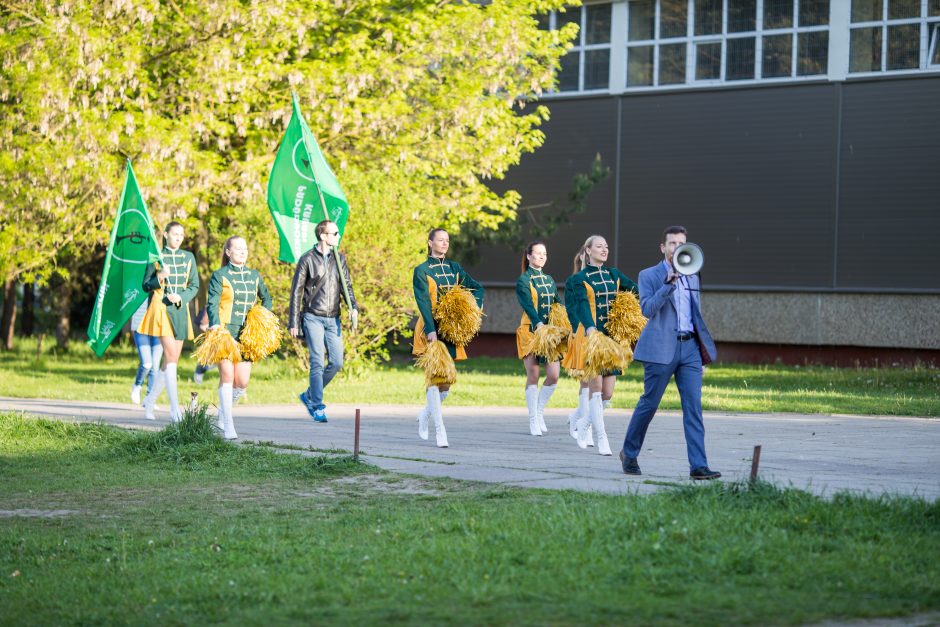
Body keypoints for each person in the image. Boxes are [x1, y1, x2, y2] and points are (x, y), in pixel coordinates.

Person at [620, 225, 721, 480]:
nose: (677, 247)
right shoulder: (649, 275)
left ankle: (698, 465)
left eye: (681, 243)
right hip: (660, 349)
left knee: (693, 408)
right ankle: (629, 453)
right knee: (649, 404)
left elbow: (694, 316)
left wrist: (701, 353)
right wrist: (667, 285)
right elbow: (647, 310)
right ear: (663, 247)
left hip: (689, 349)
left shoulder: (693, 274)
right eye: (672, 243)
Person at [413, 228, 484, 447]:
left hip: (452, 330)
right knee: (435, 379)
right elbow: (423, 300)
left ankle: (425, 414)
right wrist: (431, 330)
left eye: (447, 240)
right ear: (430, 243)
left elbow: (476, 288)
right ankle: (440, 430)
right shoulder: (422, 270)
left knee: (447, 383)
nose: (445, 243)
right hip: (430, 328)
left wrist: (472, 312)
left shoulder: (454, 267)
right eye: (440, 240)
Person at [568, 235, 638, 456]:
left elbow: (635, 290)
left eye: (606, 246)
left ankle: (583, 424)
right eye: (599, 246)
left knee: (608, 393)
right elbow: (580, 305)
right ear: (588, 251)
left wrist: (629, 314)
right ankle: (602, 439)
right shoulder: (579, 278)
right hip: (592, 338)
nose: (604, 249)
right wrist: (589, 327)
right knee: (595, 389)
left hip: (613, 340)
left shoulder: (613, 274)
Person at [289, 220, 358, 424]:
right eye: (335, 233)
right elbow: (296, 292)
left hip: (333, 318)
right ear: (323, 236)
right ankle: (317, 405)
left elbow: (347, 285)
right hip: (312, 317)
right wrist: (293, 321)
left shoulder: (339, 258)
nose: (338, 236)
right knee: (317, 361)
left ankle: (309, 393)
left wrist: (353, 307)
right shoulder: (307, 259)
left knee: (336, 362)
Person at [207, 235, 273, 440]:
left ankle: (222, 413)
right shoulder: (220, 275)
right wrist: (215, 324)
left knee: (242, 382)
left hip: (247, 334)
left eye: (245, 248)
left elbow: (267, 298)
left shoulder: (254, 275)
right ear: (228, 252)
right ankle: (228, 424)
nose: (243, 251)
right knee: (226, 376)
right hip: (225, 331)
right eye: (238, 248)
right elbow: (212, 303)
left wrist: (263, 318)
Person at [139, 221, 199, 423]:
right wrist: (160, 277)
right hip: (161, 307)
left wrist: (181, 296)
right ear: (165, 234)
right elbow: (145, 285)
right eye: (175, 234)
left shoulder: (188, 257)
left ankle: (149, 400)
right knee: (171, 356)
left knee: (170, 361)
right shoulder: (156, 257)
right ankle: (175, 409)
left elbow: (195, 285)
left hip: (180, 309)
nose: (178, 237)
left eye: (181, 234)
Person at [515, 241, 560, 436]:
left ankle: (539, 410)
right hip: (531, 332)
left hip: (549, 334)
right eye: (538, 253)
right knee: (533, 375)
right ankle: (533, 419)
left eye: (544, 254)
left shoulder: (549, 279)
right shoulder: (524, 280)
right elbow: (528, 305)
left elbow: (557, 304)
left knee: (554, 375)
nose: (541, 256)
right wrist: (538, 323)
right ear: (529, 256)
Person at [129, 300, 163, 405]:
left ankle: (149, 399)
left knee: (155, 366)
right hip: (140, 326)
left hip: (158, 326)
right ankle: (137, 385)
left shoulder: (163, 284)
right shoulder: (138, 284)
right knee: (147, 364)